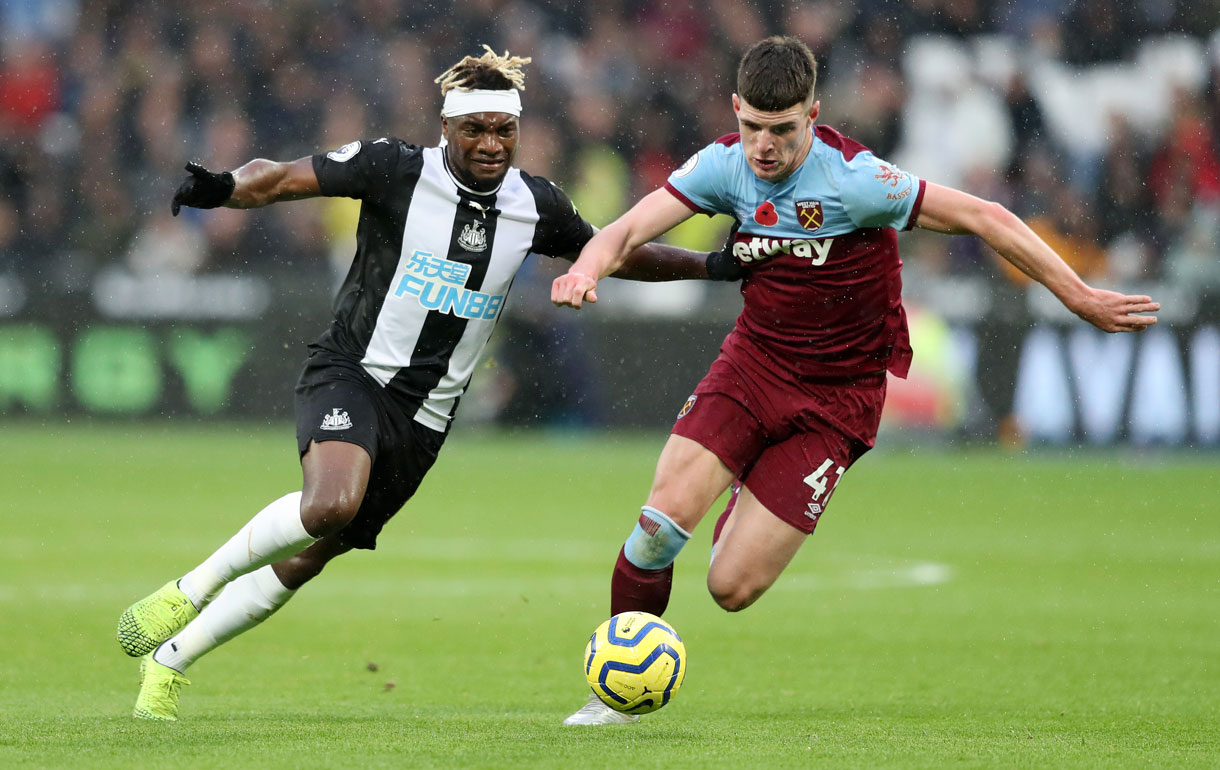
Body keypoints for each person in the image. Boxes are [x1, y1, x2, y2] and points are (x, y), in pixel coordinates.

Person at [116, 46, 743, 722]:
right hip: (353, 372)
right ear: (446, 128)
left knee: (311, 557)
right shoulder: (393, 168)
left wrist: (713, 266)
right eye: (474, 129)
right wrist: (224, 189)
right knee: (328, 504)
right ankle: (188, 587)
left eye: (503, 130)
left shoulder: (536, 204)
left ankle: (171, 659)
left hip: (426, 421)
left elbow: (617, 251)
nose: (490, 144)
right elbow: (281, 179)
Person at [551, 35, 1160, 725]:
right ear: (735, 112)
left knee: (731, 586)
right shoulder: (724, 166)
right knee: (659, 525)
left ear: (814, 114)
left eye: (782, 130)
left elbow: (985, 217)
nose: (764, 147)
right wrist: (587, 270)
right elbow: (627, 230)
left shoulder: (855, 181)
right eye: (752, 127)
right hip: (753, 366)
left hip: (838, 401)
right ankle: (616, 699)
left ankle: (752, 483)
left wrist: (1077, 294)